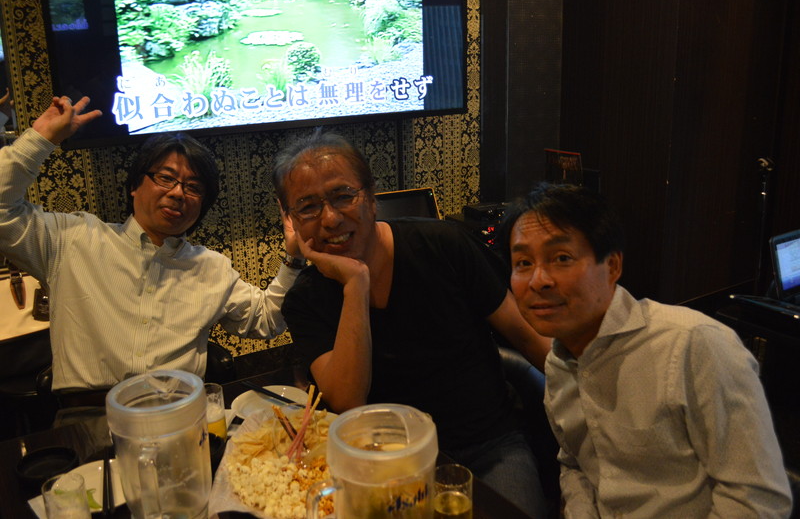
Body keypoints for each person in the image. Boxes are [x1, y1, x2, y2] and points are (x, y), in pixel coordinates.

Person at [273, 130, 554, 517]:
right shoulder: (305, 300)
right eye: (307, 207)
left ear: (372, 198)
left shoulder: (444, 245)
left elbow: (528, 336)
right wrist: (356, 284)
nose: (331, 218)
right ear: (290, 218)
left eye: (343, 196)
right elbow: (348, 400)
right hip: (383, 466)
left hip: (488, 450)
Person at [497, 182, 793, 518]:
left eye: (561, 258)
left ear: (612, 267)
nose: (538, 280)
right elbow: (575, 464)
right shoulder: (558, 363)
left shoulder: (695, 344)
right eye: (523, 263)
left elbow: (757, 501)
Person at [0, 96, 305, 401]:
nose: (178, 193)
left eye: (193, 187)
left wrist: (294, 257)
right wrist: (41, 137)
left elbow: (267, 320)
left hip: (178, 412)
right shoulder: (71, 239)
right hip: (91, 414)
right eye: (166, 178)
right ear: (135, 185)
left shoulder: (211, 267)